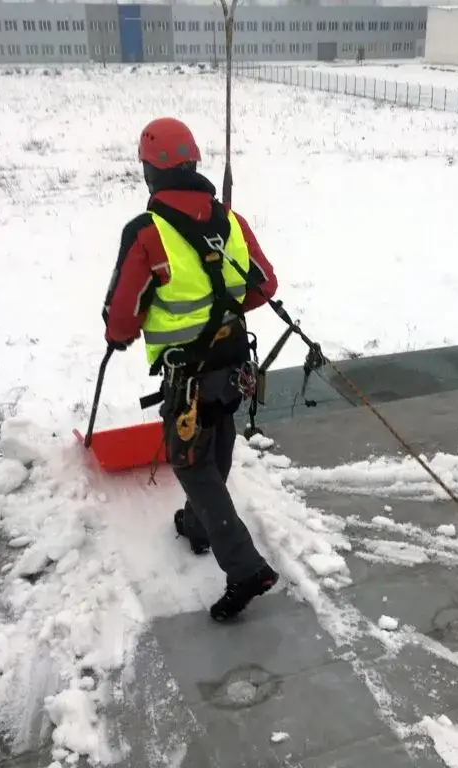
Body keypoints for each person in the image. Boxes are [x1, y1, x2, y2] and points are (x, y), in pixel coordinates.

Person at [102, 116, 280, 622]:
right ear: (193, 163)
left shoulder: (146, 233)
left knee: (191, 463)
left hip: (188, 376)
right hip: (232, 366)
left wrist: (119, 336)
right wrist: (221, 304)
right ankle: (198, 527)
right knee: (216, 438)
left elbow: (123, 312)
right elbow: (264, 285)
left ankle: (244, 567)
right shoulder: (231, 222)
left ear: (149, 172)